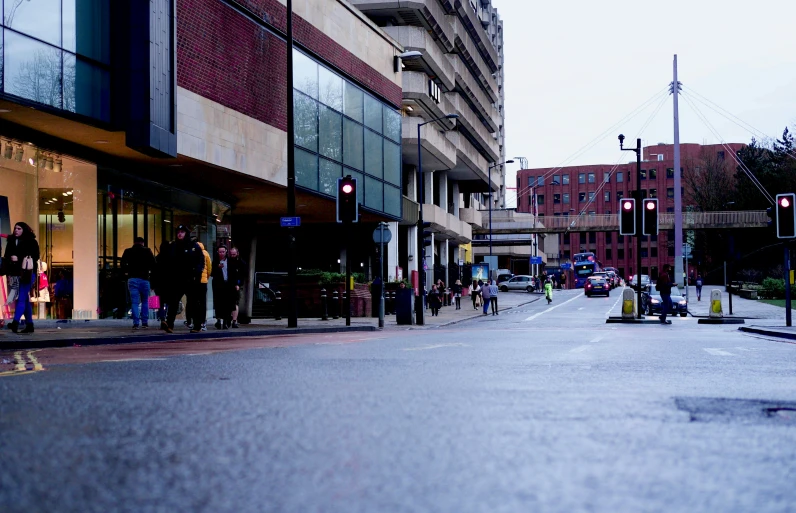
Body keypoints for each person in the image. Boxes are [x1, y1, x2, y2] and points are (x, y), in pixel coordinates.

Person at [157, 225, 204, 333]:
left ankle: (197, 325)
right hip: (176, 279)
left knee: (193, 303)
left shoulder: (194, 246)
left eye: (182, 232)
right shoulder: (173, 246)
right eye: (178, 232)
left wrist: (197, 274)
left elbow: (200, 261)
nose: (180, 234)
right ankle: (169, 324)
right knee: (173, 303)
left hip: (190, 279)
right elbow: (166, 261)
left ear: (186, 233)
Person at [2, 222, 40, 334]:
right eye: (15, 228)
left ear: (24, 230)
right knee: (25, 299)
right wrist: (10, 259)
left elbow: (35, 256)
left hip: (27, 273)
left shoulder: (31, 242)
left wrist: (19, 258)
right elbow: (6, 255)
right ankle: (29, 325)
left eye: (19, 228)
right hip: (15, 273)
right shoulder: (11, 241)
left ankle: (15, 322)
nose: (16, 230)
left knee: (22, 297)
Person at [121, 236, 157, 330]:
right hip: (144, 279)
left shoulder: (128, 251)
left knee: (134, 302)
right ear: (143, 243)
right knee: (145, 301)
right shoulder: (147, 251)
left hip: (132, 279)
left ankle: (136, 323)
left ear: (134, 242)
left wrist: (127, 272)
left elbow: (122, 264)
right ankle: (144, 322)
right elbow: (153, 265)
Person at [211, 245, 235, 329]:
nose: (221, 253)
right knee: (218, 303)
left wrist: (236, 284)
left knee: (227, 303)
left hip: (228, 285)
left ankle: (226, 321)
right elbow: (212, 273)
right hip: (218, 285)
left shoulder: (230, 261)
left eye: (223, 252)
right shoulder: (215, 261)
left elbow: (234, 273)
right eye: (220, 252)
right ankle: (218, 320)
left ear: (226, 252)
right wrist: (217, 268)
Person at [228, 247, 246, 328]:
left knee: (235, 303)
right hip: (229, 284)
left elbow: (242, 275)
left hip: (237, 285)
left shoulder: (241, 263)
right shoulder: (228, 261)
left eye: (234, 254)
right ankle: (229, 319)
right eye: (231, 254)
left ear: (237, 253)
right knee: (229, 303)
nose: (232, 256)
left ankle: (234, 321)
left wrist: (239, 284)